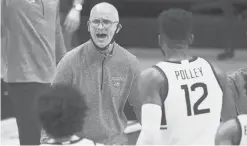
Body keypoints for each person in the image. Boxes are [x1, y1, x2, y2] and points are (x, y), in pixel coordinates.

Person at [43, 2, 143, 145]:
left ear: (118, 27)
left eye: (107, 22)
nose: (100, 27)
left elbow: (142, 109)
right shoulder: (69, 62)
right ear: (89, 26)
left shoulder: (130, 63)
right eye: (96, 22)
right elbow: (51, 110)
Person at [136, 8, 237, 145]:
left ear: (160, 40)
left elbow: (149, 136)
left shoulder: (153, 78)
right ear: (191, 39)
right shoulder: (216, 72)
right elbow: (232, 126)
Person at [1, 0, 66, 145]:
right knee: (31, 138)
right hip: (23, 76)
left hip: (51, 75)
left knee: (53, 136)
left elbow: (56, 31)